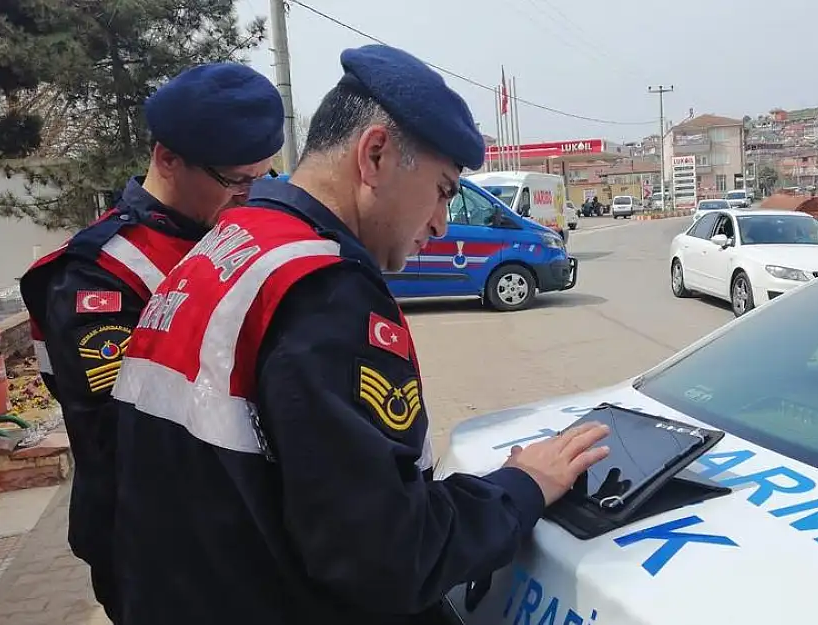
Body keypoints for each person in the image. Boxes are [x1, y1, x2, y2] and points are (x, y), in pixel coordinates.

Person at [108, 44, 611, 625]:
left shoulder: (233, 241)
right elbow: (387, 558)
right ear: (373, 155)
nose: (441, 224)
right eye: (443, 189)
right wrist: (523, 485)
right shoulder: (321, 292)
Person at [18, 63, 283, 622]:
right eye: (236, 180)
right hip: (155, 550)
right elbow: (126, 439)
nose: (250, 196)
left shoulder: (231, 236)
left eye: (262, 177)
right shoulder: (98, 277)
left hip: (237, 532)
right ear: (167, 158)